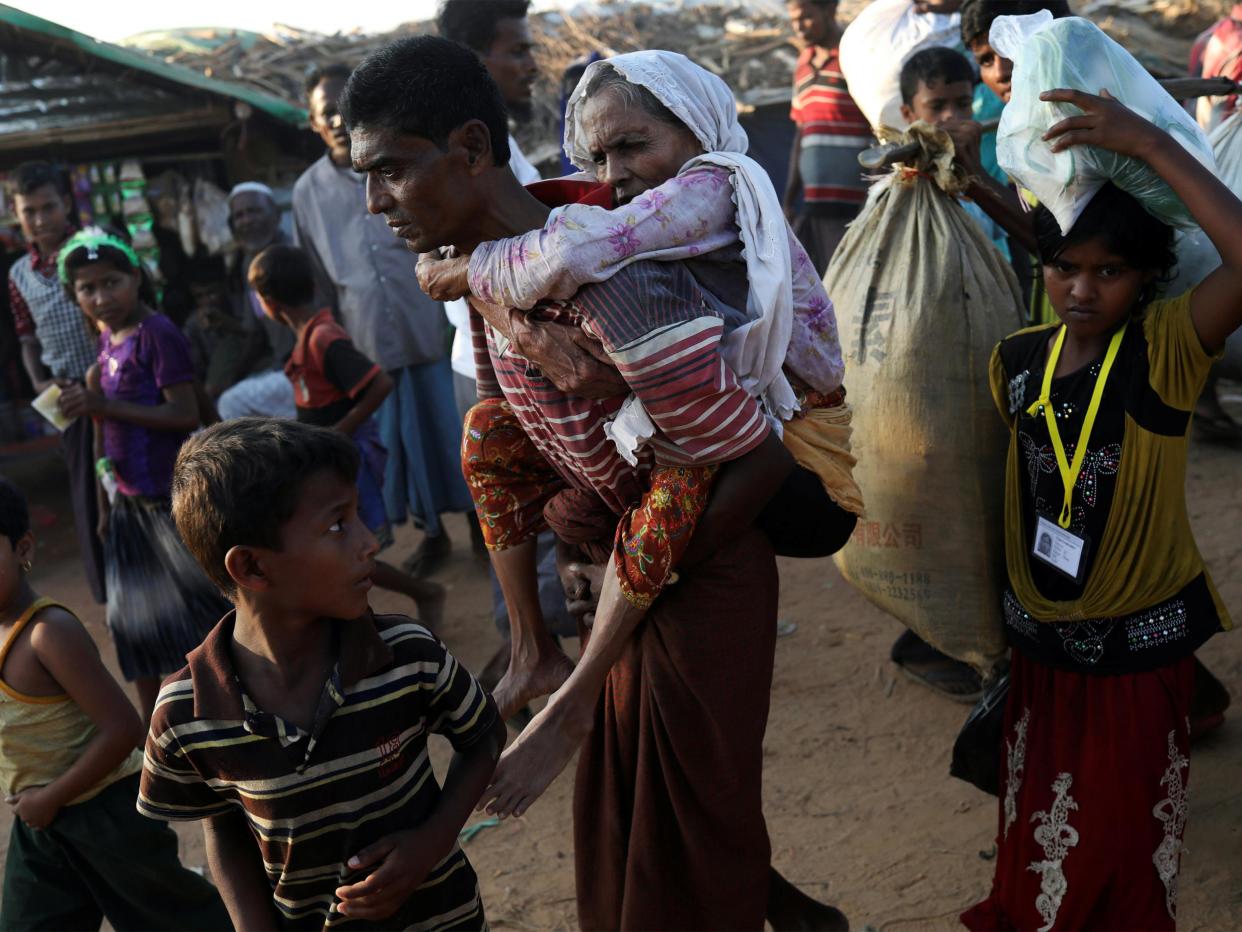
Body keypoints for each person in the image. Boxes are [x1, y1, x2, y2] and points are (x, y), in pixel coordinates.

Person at [343, 37, 848, 930]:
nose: (373, 203)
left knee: (688, 831)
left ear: (468, 149)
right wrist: (576, 550)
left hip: (700, 567)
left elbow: (755, 458)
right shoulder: (495, 268)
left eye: (388, 171)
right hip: (628, 568)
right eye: (599, 156)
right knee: (651, 812)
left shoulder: (620, 283)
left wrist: (588, 663)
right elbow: (511, 434)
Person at [963, 86, 1242, 931]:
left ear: (1149, 279)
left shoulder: (1166, 349)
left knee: (1118, 842)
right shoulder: (1016, 359)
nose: (1082, 290)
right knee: (1040, 827)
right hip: (1040, 646)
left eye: (1109, 272)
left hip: (1136, 648)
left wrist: (1151, 148)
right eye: (1064, 268)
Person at [138, 417, 507, 930]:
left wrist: (432, 841)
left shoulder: (405, 653)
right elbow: (220, 821)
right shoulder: (187, 713)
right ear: (252, 568)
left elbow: (484, 737)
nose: (370, 542)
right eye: (338, 525)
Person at [0, 477, 229, 931]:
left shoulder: (47, 634)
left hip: (107, 814)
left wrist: (50, 798)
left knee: (182, 920)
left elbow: (123, 728)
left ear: (23, 547)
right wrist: (43, 804)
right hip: (43, 822)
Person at [437, 0, 576, 691]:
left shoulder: (497, 145)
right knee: (529, 519)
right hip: (502, 359)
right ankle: (531, 658)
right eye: (515, 51)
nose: (529, 65)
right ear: (475, 62)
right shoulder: (463, 157)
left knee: (522, 518)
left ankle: (535, 652)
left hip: (501, 354)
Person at [295, 64, 473, 578]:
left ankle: (481, 529)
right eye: (324, 111)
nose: (334, 118)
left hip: (426, 325)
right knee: (401, 450)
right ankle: (433, 535)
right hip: (365, 338)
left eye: (341, 108)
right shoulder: (308, 192)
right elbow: (318, 275)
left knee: (451, 435)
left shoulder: (395, 160)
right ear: (312, 122)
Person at [54, 228, 227, 722]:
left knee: (203, 620)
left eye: (111, 282)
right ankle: (161, 733)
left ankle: (227, 717)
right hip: (130, 505)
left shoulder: (157, 334)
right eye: (87, 290)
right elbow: (99, 433)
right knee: (133, 625)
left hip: (172, 502)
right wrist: (105, 508)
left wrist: (103, 403)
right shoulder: (107, 341)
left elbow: (182, 413)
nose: (100, 297)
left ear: (135, 278)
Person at [249, 243, 448, 627]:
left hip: (343, 459)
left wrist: (335, 436)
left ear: (269, 302)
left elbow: (379, 385)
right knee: (343, 546)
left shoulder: (323, 338)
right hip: (328, 460)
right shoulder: (308, 336)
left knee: (351, 547)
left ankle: (418, 596)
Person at [7, 161, 105, 604]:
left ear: (67, 204)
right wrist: (39, 386)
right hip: (63, 396)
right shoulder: (18, 275)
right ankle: (106, 583)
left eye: (49, 207)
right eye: (30, 211)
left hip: (114, 383)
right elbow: (27, 338)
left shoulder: (93, 248)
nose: (41, 219)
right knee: (86, 488)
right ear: (15, 213)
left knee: (128, 481)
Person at [784, 0, 872, 275]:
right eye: (794, 20)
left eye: (807, 17)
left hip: (855, 204)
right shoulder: (803, 65)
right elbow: (802, 133)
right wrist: (788, 200)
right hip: (814, 204)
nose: (799, 27)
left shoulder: (854, 56)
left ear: (829, 10)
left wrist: (872, 199)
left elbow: (877, 128)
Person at [899, 47, 1010, 259]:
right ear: (908, 114)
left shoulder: (977, 168)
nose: (952, 116)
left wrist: (974, 175)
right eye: (936, 106)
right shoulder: (901, 189)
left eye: (963, 104)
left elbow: (1001, 230)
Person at [215, 181, 299, 421]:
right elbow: (255, 330)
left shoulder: (294, 251)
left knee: (232, 405)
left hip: (308, 367)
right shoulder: (247, 264)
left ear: (276, 214)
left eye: (254, 211)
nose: (247, 220)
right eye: (239, 215)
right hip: (281, 365)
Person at [181, 251, 270, 402]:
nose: (206, 301)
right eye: (199, 296)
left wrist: (231, 325)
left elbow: (261, 339)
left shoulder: (244, 305)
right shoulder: (193, 324)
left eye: (212, 293)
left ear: (224, 287)